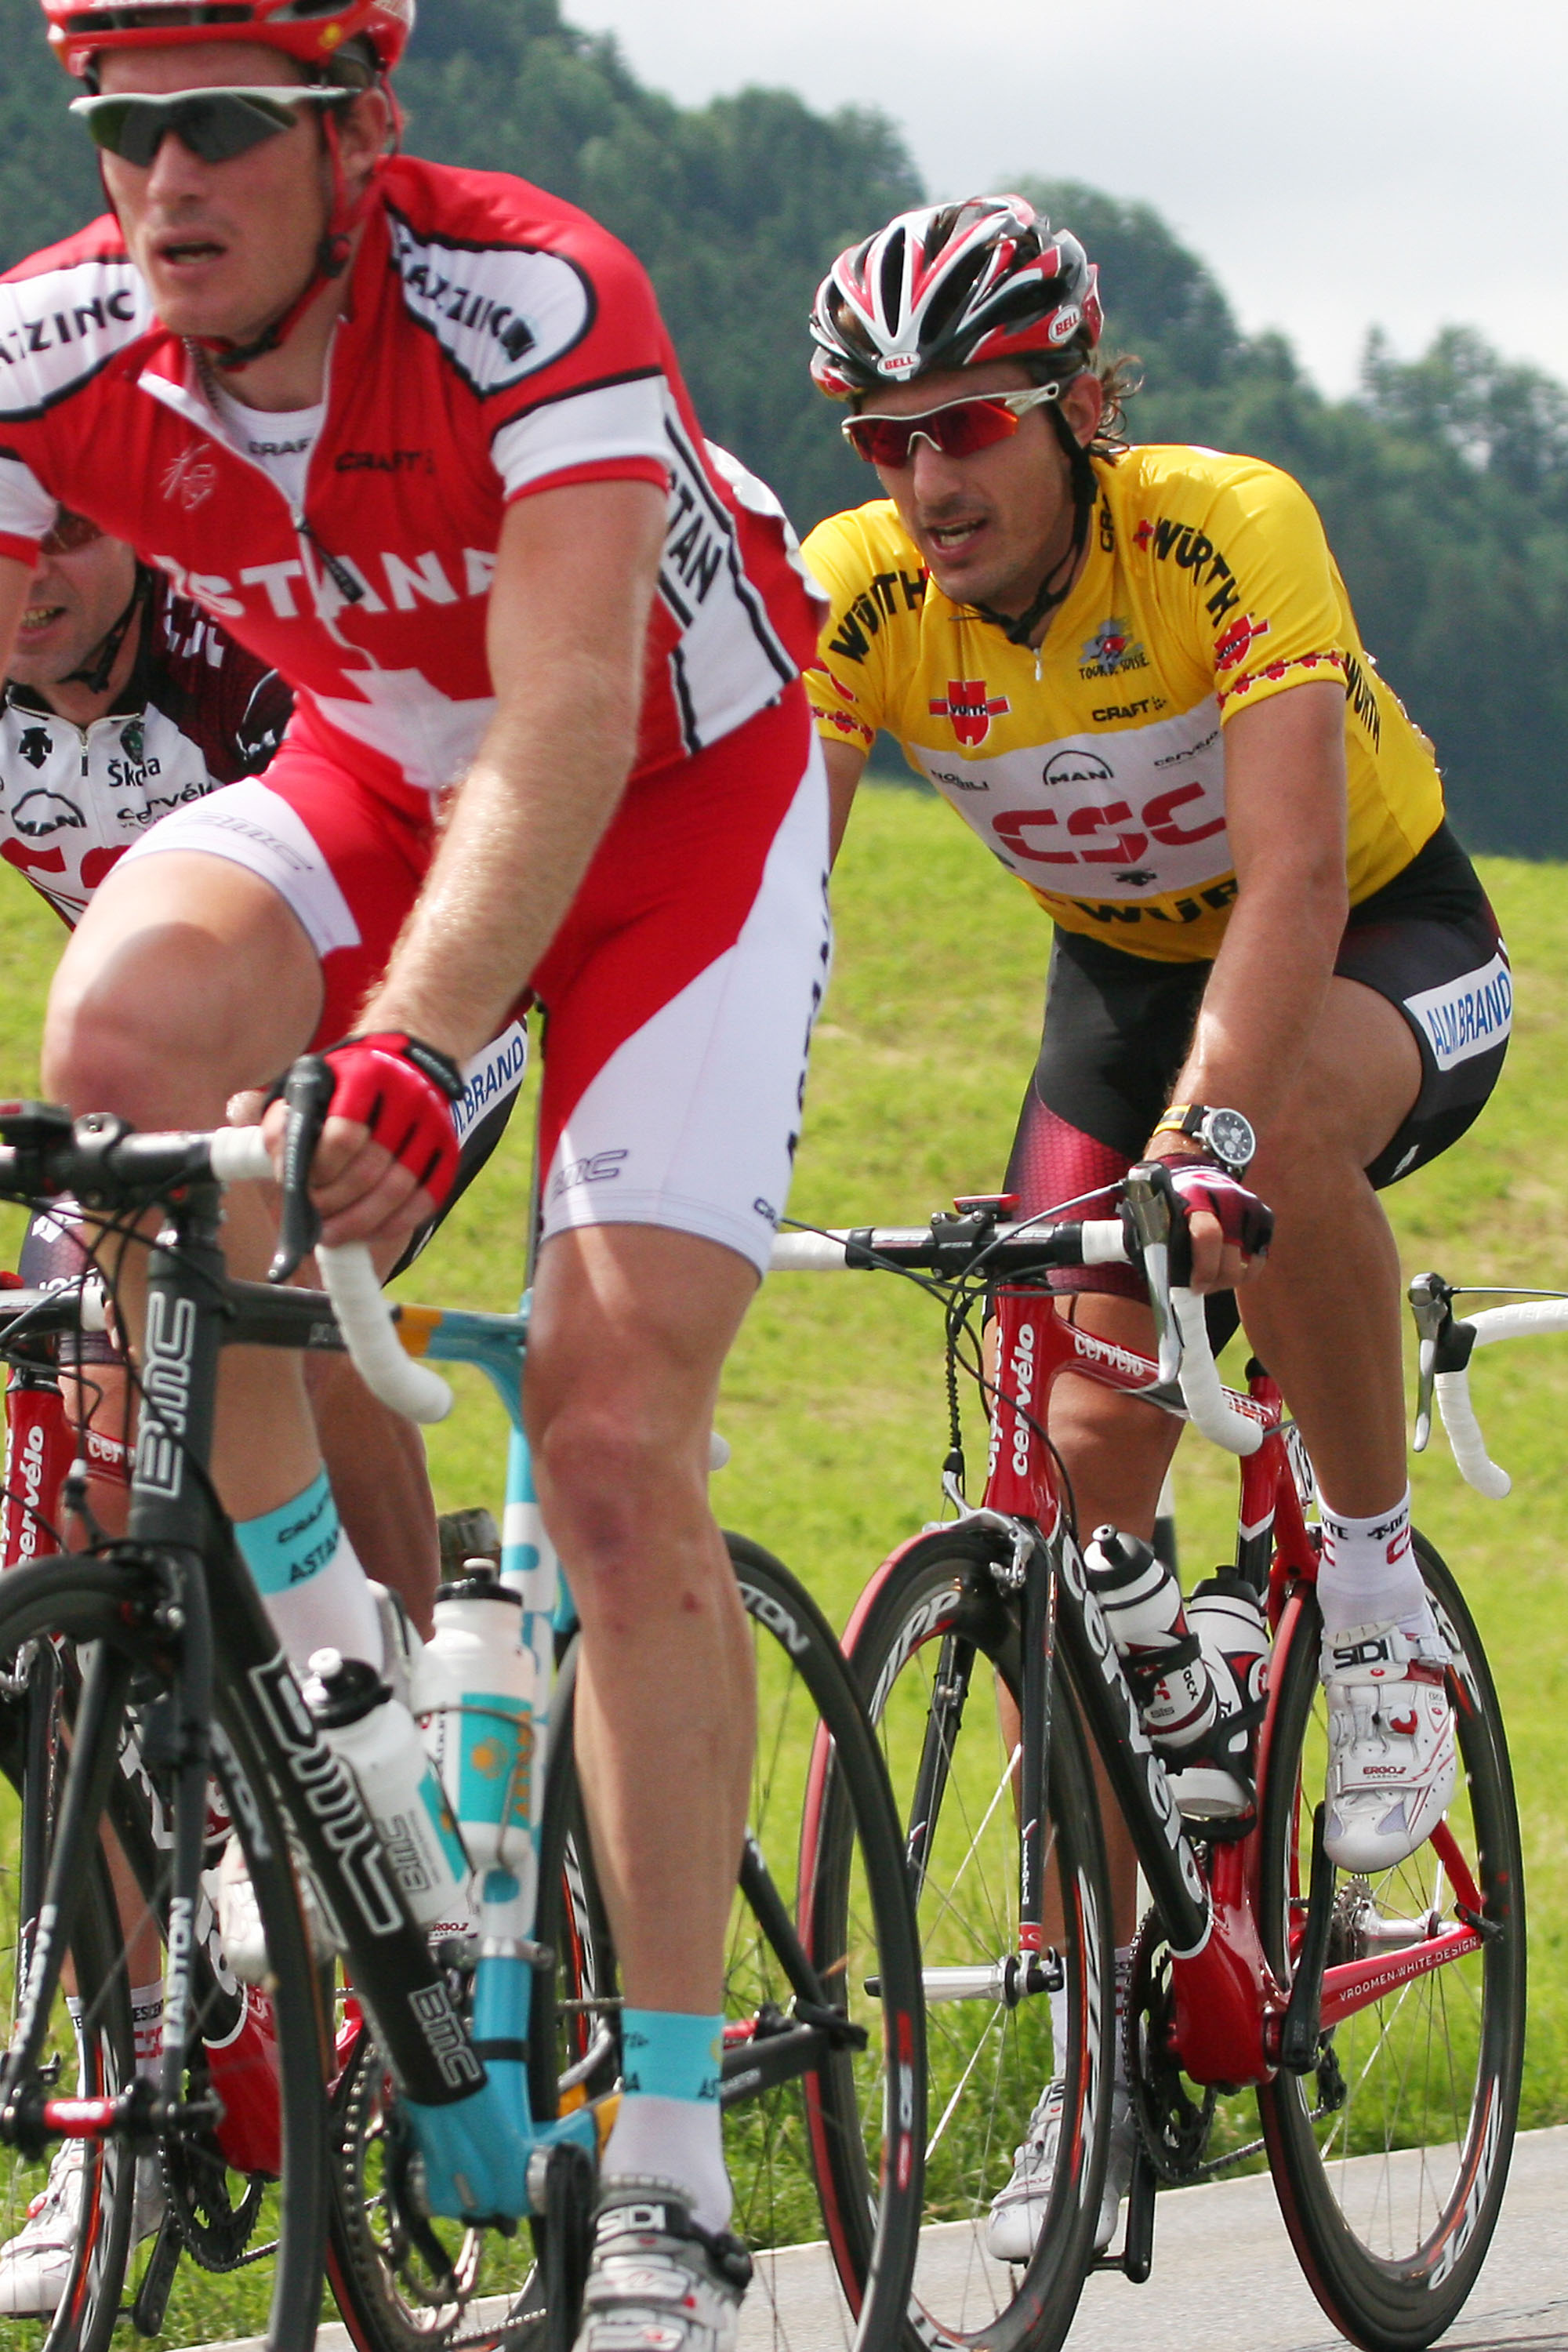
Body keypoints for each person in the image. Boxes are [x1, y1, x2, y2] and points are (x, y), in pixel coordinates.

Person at [0, 5, 828, 2344]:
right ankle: (345, 1686)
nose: (166, 180)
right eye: (124, 133)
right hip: (382, 772)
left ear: (360, 132)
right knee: (121, 1066)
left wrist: (416, 1048)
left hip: (675, 803)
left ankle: (668, 2161)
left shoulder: (531, 294)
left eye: (220, 128)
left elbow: (565, 714)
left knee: (610, 1435)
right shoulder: (54, 343)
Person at [802, 194, 1508, 2259]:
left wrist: (1205, 1137)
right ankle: (1108, 2036)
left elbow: (1294, 877)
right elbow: (775, 900)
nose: (926, 478)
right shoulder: (857, 592)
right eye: (882, 437)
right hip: (1119, 992)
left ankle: (1368, 1606)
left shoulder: (1220, 527)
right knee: (1071, 1474)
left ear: (1079, 408)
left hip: (1373, 943)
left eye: (969, 424)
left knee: (1270, 1160)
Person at [0, 507, 503, 2316]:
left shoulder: (240, 655)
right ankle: (138, 2078)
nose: (32, 574)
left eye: (70, 531)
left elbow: (419, 850)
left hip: (396, 1023)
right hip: (160, 1081)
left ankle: (406, 1731)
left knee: (285, 1296)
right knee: (52, 1507)